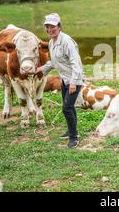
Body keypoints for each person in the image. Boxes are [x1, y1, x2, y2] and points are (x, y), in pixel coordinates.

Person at [36, 13, 83, 148]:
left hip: (74, 79)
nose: (49, 30)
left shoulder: (66, 41)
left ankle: (74, 137)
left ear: (59, 27)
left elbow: (76, 64)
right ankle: (71, 130)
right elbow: (53, 62)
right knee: (69, 106)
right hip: (64, 79)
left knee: (66, 108)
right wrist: (38, 70)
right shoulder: (52, 42)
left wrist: (73, 82)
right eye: (47, 27)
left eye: (52, 27)